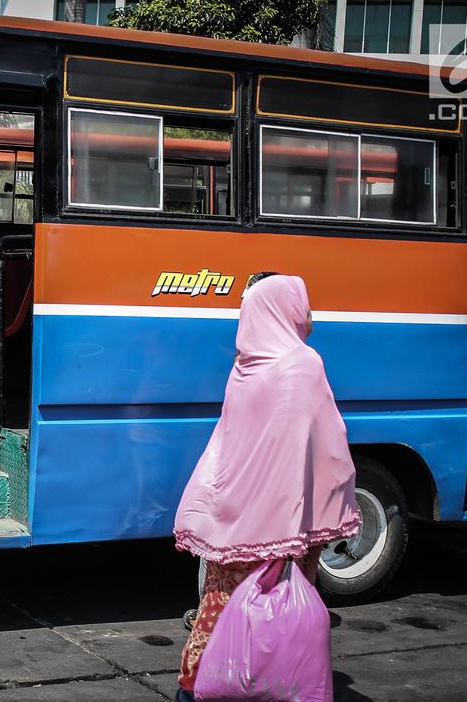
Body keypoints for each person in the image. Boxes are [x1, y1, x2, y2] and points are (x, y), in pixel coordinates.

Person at [172, 273, 360, 700]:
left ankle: (197, 687)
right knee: (280, 613)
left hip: (233, 518)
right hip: (287, 521)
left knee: (221, 607)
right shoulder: (303, 364)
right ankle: (273, 686)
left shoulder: (244, 366)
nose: (307, 314)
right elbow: (327, 446)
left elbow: (226, 444)